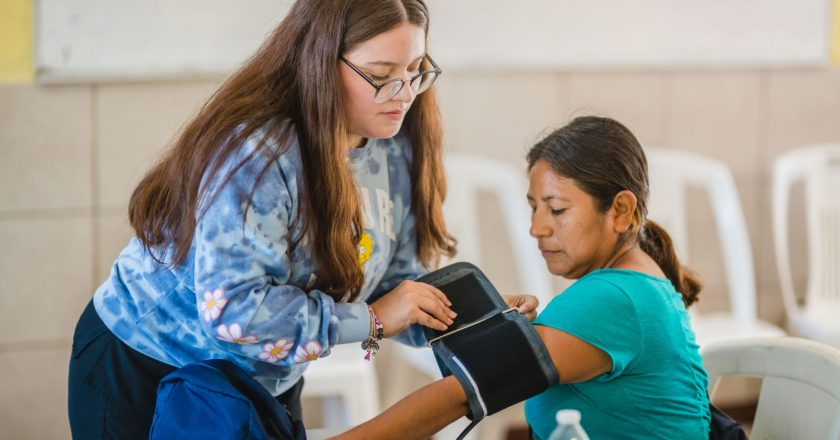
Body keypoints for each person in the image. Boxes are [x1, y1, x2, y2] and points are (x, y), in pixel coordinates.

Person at [67, 1, 538, 437]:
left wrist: (474, 316)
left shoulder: (395, 142)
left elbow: (395, 285)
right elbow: (234, 312)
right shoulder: (259, 154)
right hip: (148, 365)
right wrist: (371, 319)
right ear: (320, 63)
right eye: (381, 74)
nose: (405, 93)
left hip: (262, 376)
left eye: (416, 71)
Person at [336, 116, 711, 440]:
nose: (536, 228)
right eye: (533, 208)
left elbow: (462, 393)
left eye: (557, 209)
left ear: (621, 210)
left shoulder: (614, 297)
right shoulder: (638, 279)